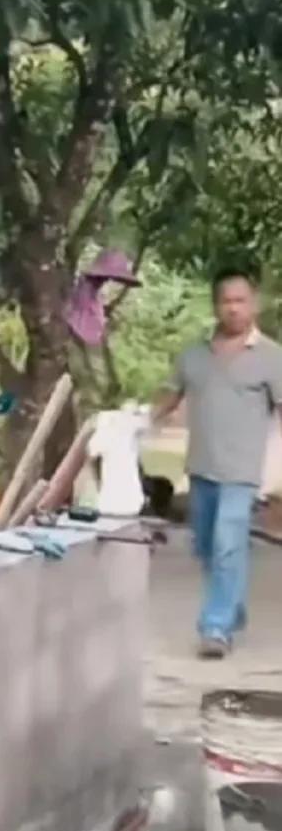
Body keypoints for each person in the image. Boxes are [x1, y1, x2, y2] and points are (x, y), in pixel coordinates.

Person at [154, 268, 282, 659]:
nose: (233, 309)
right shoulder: (194, 355)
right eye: (226, 301)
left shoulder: (271, 357)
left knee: (228, 544)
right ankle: (232, 607)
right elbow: (169, 396)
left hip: (243, 472)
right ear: (215, 306)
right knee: (208, 547)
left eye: (240, 301)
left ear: (254, 304)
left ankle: (215, 628)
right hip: (201, 468)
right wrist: (140, 422)